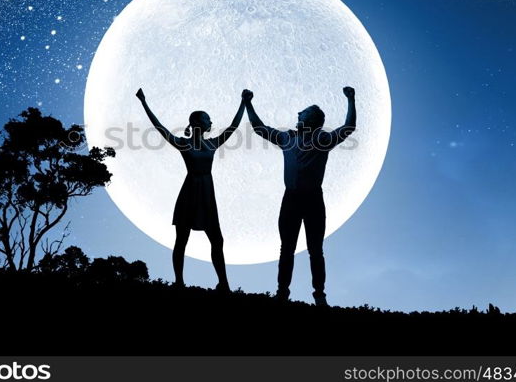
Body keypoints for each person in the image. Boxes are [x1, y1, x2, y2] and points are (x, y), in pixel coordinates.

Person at [242, 87, 356, 305]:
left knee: (315, 250)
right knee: (287, 248)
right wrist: (248, 103)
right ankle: (282, 292)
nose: (297, 115)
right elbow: (259, 128)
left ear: (312, 120)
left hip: (313, 200)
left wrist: (351, 99)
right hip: (291, 199)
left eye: (302, 114)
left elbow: (348, 127)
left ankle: (319, 294)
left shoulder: (323, 139)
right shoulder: (287, 138)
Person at [136, 88, 247, 292]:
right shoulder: (184, 144)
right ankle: (179, 281)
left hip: (207, 193)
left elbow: (233, 126)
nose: (210, 121)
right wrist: (143, 102)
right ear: (197, 123)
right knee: (181, 239)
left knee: (217, 240)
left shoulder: (212, 143)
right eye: (207, 118)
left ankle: (224, 284)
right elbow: (159, 126)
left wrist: (244, 102)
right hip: (189, 193)